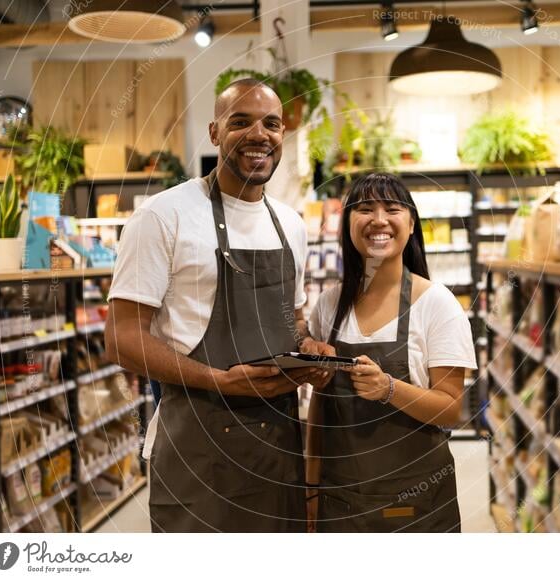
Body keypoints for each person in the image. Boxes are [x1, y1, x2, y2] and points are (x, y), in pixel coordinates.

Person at [105, 79, 332, 532]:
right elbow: (122, 339)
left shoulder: (290, 224)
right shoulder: (162, 216)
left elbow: (294, 321)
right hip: (198, 453)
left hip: (278, 453)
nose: (259, 134)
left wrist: (311, 352)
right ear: (214, 133)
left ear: (283, 133)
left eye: (271, 123)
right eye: (240, 122)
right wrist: (219, 380)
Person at [305, 172, 477, 532]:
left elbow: (451, 408)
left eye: (392, 209)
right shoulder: (328, 306)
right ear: (348, 224)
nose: (379, 220)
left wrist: (389, 388)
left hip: (415, 503)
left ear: (411, 224)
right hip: (341, 503)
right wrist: (310, 487)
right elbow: (322, 406)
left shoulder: (436, 304)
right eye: (365, 209)